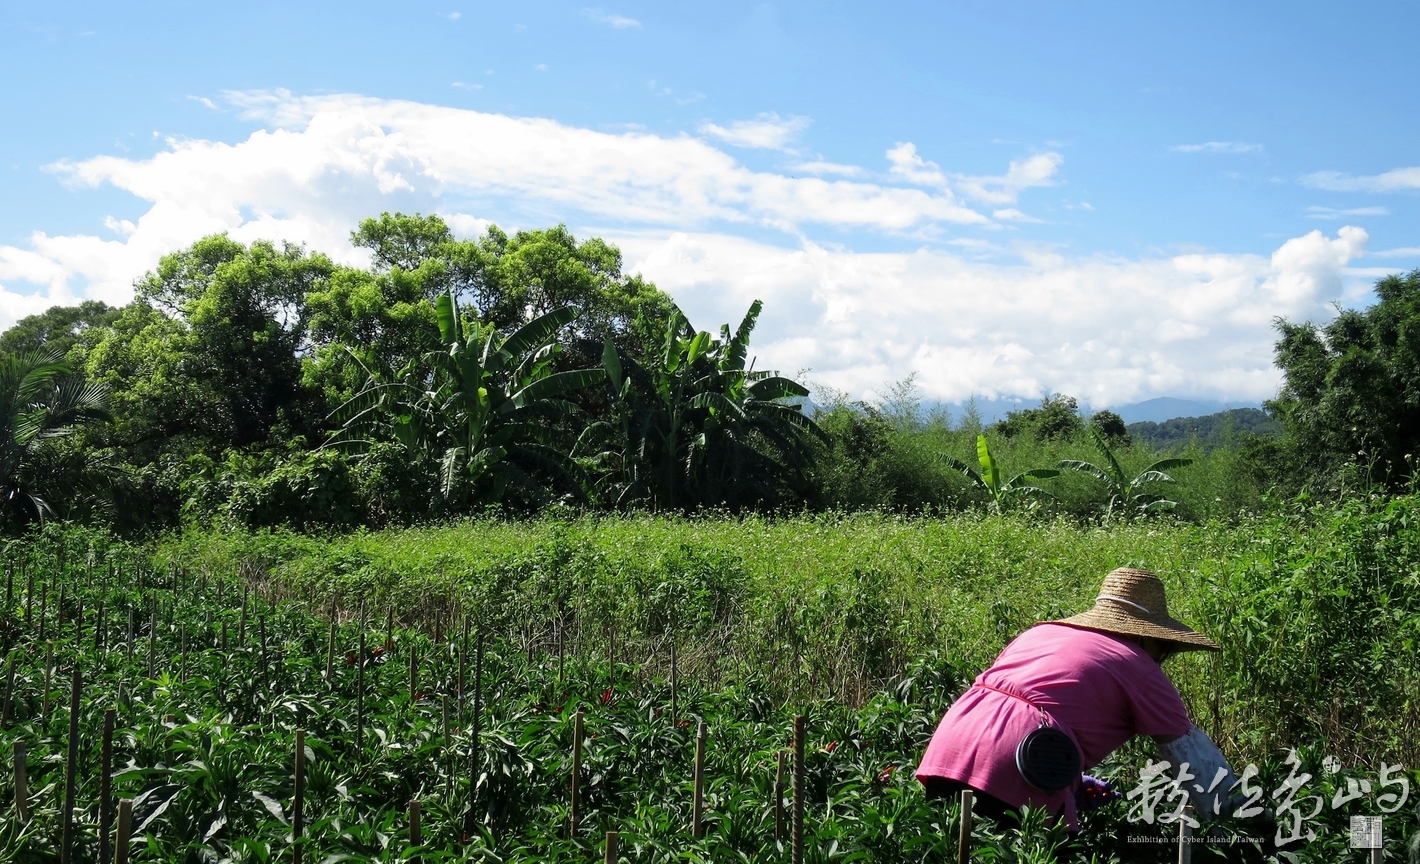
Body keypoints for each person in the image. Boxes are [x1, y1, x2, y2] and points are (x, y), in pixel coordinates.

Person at [916, 566, 1231, 830]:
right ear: (1144, 636)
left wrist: (1073, 780)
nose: (1162, 658)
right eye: (1162, 647)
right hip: (1020, 762)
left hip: (950, 744)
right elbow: (1193, 757)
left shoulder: (1039, 633)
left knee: (956, 846)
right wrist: (1243, 826)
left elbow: (1024, 703)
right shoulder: (1139, 666)